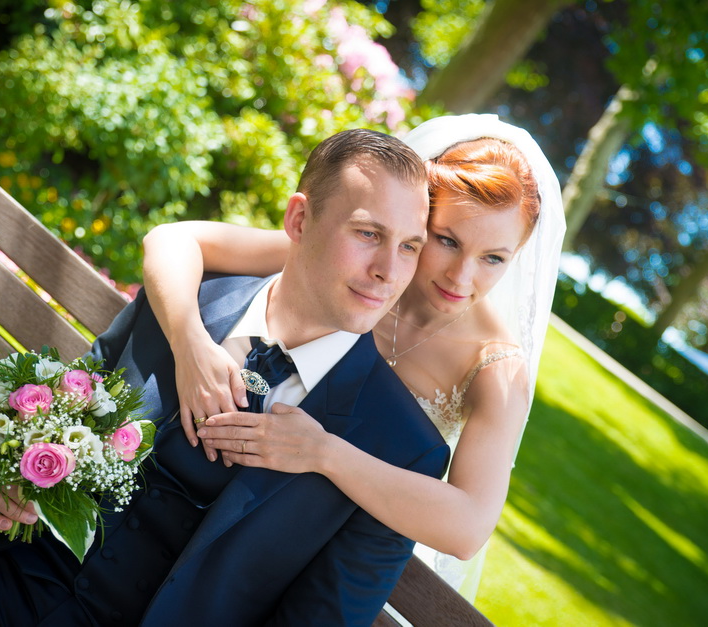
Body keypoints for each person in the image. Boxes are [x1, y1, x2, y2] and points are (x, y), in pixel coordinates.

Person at [0, 129, 451, 626]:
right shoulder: (187, 302)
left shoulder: (397, 449)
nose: (387, 271)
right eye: (368, 234)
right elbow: (57, 424)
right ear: (299, 219)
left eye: (409, 247)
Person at [140, 114, 566, 601]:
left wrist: (323, 453)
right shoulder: (354, 268)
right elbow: (172, 240)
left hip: (346, 543)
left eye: (494, 258)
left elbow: (468, 527)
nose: (461, 278)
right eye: (446, 241)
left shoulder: (495, 368)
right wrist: (190, 343)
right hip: (229, 497)